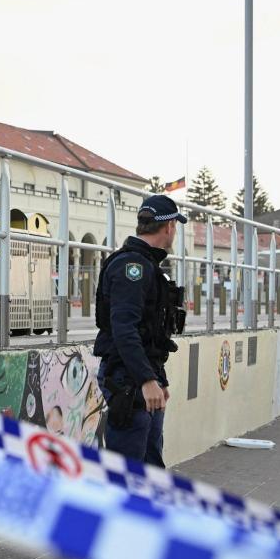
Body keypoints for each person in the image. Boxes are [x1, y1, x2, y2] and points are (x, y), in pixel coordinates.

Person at [93, 195, 188, 467]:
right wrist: (147, 380)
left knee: (150, 463)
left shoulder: (146, 264)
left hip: (142, 375)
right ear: (168, 226)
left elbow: (150, 333)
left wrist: (158, 378)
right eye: (175, 227)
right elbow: (124, 329)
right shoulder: (131, 267)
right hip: (128, 379)